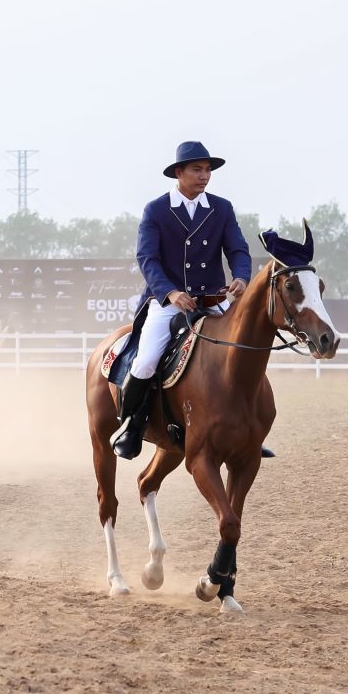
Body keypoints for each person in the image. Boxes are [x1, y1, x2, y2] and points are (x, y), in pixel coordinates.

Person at [112, 141, 251, 460]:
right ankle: (132, 426)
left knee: (241, 353)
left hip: (213, 299)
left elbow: (238, 249)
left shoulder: (222, 208)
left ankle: (247, 428)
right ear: (179, 172)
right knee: (146, 361)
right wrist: (171, 292)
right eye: (197, 170)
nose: (205, 176)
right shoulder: (156, 210)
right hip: (169, 302)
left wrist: (241, 276)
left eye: (208, 171)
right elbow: (147, 257)